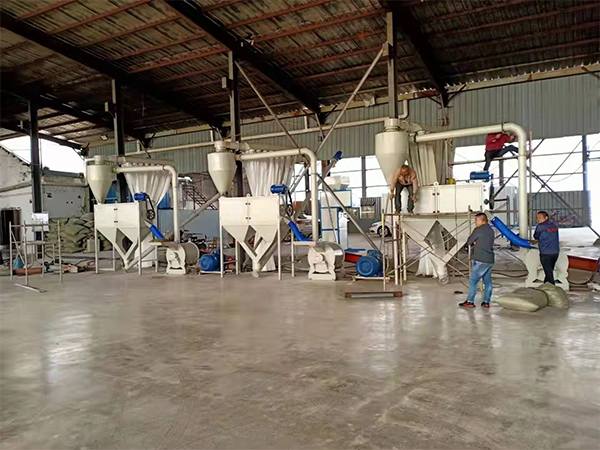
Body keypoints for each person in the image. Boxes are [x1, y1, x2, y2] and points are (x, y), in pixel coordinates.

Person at [459, 213, 495, 308]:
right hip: (490, 260)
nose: (475, 222)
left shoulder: (478, 230)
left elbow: (469, 241)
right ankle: (486, 301)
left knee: (473, 281)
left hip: (480, 259)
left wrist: (475, 242)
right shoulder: (491, 230)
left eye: (476, 220)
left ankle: (470, 301)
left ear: (482, 220)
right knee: (487, 282)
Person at [530, 211, 560, 285]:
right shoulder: (554, 225)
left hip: (545, 253)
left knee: (549, 274)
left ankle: (552, 289)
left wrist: (536, 240)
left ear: (546, 218)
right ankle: (546, 285)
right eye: (537, 218)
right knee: (549, 272)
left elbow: (536, 236)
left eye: (540, 218)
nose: (538, 219)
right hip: (555, 252)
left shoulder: (540, 226)